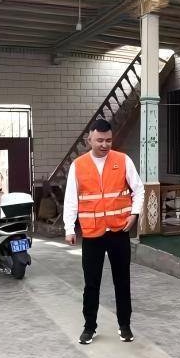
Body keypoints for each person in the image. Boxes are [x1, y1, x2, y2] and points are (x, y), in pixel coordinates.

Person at [63, 119, 145, 344]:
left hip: (119, 230)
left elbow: (138, 190)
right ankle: (89, 327)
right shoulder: (78, 165)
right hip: (92, 233)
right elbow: (71, 199)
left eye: (108, 140)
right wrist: (69, 228)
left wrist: (134, 214)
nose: (105, 144)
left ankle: (125, 326)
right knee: (91, 283)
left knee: (122, 281)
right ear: (89, 139)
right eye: (100, 140)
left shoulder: (123, 160)